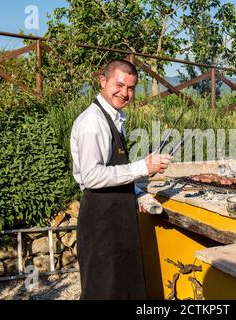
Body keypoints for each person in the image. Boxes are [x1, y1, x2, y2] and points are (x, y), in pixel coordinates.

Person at [70, 60, 172, 299]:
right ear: (103, 81)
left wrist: (138, 192)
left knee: (125, 285)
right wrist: (142, 167)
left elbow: (114, 170)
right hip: (101, 222)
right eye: (119, 85)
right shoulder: (92, 122)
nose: (124, 93)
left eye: (131, 88)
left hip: (118, 217)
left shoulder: (114, 117)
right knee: (104, 289)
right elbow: (92, 176)